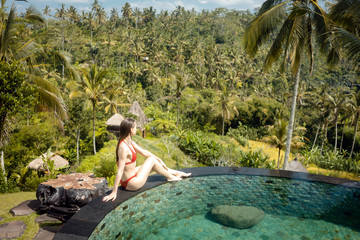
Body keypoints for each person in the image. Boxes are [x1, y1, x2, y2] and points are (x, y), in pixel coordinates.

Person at [102, 118, 191, 202]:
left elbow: (144, 152)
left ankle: (175, 173)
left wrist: (160, 159)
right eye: (135, 127)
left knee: (154, 162)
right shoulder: (123, 147)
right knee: (151, 160)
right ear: (131, 129)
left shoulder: (130, 142)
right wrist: (114, 192)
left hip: (132, 176)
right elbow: (120, 170)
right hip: (131, 183)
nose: (136, 129)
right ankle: (170, 177)